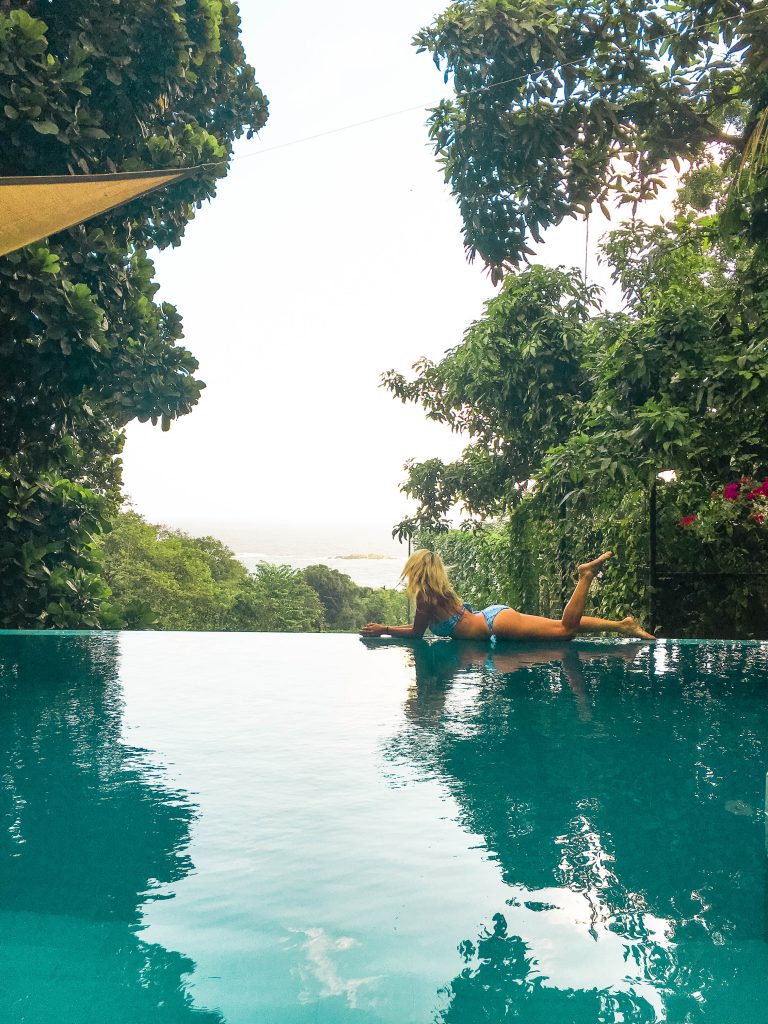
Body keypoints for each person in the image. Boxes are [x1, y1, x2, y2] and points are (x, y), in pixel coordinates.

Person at [360, 548, 654, 641]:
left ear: (415, 570)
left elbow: (415, 633)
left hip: (495, 625)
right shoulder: (440, 592)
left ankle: (585, 577)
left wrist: (383, 629)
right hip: (492, 617)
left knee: (565, 631)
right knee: (561, 625)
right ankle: (622, 625)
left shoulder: (425, 597)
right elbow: (420, 628)